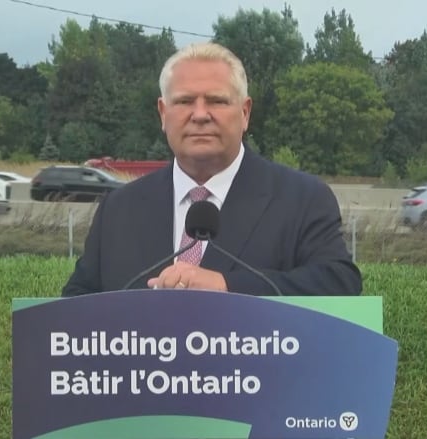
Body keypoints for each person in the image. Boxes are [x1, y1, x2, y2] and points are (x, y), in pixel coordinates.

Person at [62, 42, 361, 297]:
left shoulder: (302, 199)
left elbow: (339, 283)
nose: (200, 115)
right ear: (163, 114)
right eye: (185, 101)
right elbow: (75, 305)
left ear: (244, 113)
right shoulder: (119, 208)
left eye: (217, 101)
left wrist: (226, 285)